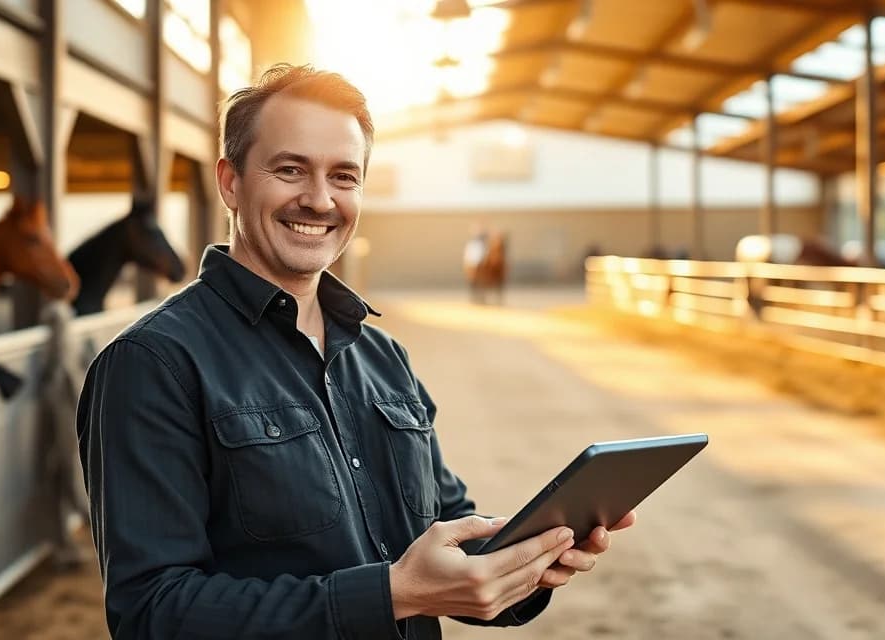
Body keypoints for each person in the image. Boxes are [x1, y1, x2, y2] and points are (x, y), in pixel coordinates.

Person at [76, 63, 635, 639]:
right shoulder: (152, 364)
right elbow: (151, 613)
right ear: (230, 181)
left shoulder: (384, 357)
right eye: (290, 170)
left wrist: (527, 564)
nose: (319, 200)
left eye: (344, 176)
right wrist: (391, 595)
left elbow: (442, 532)